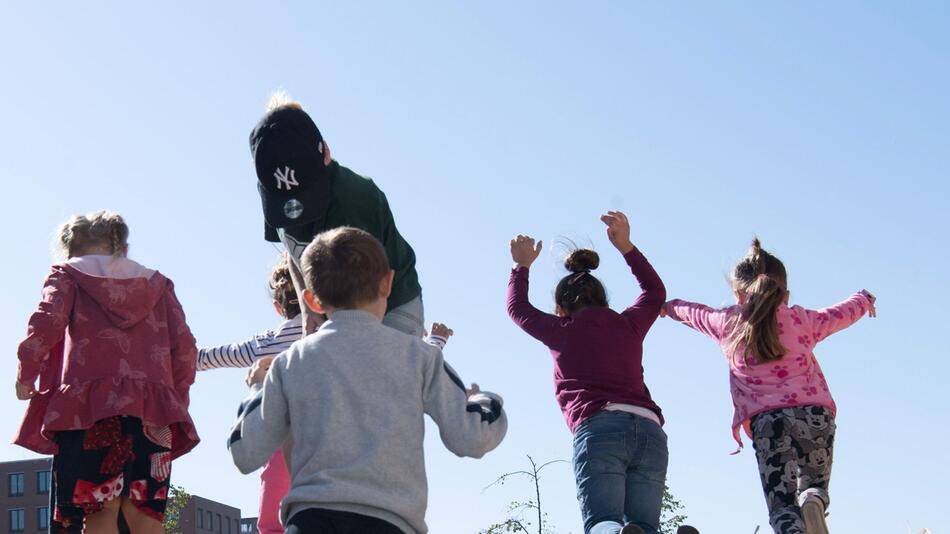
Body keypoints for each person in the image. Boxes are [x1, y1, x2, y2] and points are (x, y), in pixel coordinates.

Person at [227, 226, 506, 534]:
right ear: (387, 282)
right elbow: (471, 438)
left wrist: (256, 388)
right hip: (389, 522)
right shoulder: (419, 357)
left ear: (312, 300)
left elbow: (245, 453)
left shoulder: (291, 362)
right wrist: (484, 401)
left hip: (311, 521)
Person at [662, 238, 876, 534]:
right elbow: (839, 314)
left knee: (782, 506)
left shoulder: (727, 322)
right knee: (813, 485)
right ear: (785, 293)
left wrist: (668, 307)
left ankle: (794, 527)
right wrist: (864, 300)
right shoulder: (802, 319)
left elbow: (693, 313)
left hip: (769, 423)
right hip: (816, 416)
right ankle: (813, 501)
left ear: (737, 294)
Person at [506, 211, 693, 534]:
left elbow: (517, 309)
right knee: (645, 525)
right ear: (604, 300)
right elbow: (654, 293)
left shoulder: (561, 328)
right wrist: (626, 247)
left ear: (561, 308)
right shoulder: (628, 324)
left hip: (600, 427)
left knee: (602, 523)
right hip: (649, 431)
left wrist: (520, 266)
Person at [14, 210, 199, 534]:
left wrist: (26, 375)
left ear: (73, 247)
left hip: (90, 410)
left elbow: (47, 323)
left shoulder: (68, 275)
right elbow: (184, 349)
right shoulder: (157, 284)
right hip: (153, 414)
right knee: (145, 514)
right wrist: (175, 398)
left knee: (99, 510)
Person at [249, 91, 423, 336]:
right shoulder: (274, 193)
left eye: (305, 192)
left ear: (326, 153)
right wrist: (306, 308)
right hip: (334, 309)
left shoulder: (354, 199)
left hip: (390, 305)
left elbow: (365, 297)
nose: (296, 209)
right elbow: (294, 251)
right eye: (287, 199)